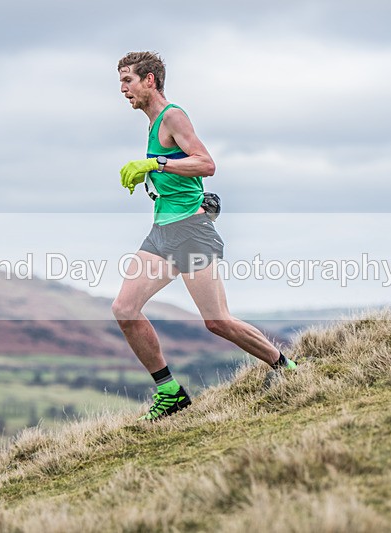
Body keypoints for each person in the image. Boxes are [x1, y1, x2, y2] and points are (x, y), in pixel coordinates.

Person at [113, 51, 296, 421]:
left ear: (150, 80)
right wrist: (152, 177)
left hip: (191, 233)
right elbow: (180, 172)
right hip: (162, 232)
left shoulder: (172, 116)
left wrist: (155, 163)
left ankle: (287, 367)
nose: (122, 89)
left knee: (217, 321)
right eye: (120, 82)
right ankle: (170, 392)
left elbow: (206, 164)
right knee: (124, 310)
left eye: (128, 80)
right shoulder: (152, 124)